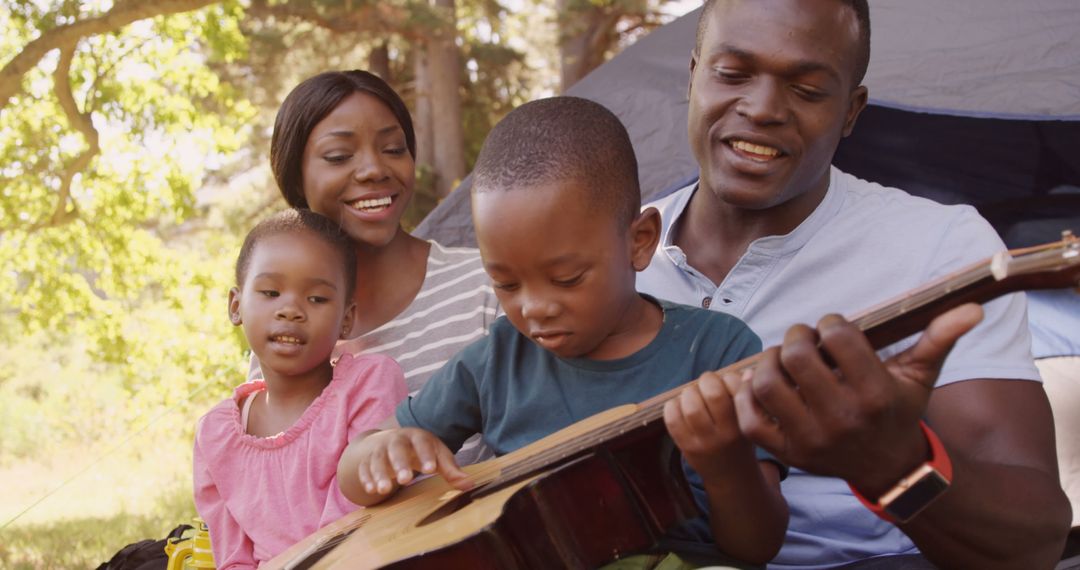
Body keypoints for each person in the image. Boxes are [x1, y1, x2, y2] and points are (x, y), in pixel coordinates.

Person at [636, 0, 1072, 568]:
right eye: (733, 73)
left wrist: (894, 464)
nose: (763, 108)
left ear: (850, 111)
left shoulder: (941, 249)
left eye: (809, 88)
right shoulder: (603, 258)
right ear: (695, 76)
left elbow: (1031, 546)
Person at [338, 96, 789, 567]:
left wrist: (728, 467)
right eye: (506, 284)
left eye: (567, 279)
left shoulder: (720, 351)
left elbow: (757, 547)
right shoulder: (495, 360)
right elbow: (354, 471)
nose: (534, 308)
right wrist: (380, 454)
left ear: (640, 242)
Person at [262, 70, 500, 463]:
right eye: (339, 156)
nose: (374, 169)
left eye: (393, 149)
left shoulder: (486, 286)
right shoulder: (283, 324)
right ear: (296, 178)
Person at [193, 209, 407, 568]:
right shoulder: (214, 435)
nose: (290, 309)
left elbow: (358, 521)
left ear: (347, 319)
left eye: (317, 299)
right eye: (271, 292)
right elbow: (231, 557)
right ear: (236, 305)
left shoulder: (368, 386)